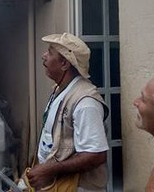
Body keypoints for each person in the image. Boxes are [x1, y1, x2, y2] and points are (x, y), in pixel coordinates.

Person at [21, 32, 109, 191]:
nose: (44, 56)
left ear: (64, 63)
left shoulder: (86, 103)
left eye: (50, 52)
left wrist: (48, 170)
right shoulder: (59, 89)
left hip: (78, 187)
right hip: (57, 184)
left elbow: (96, 155)